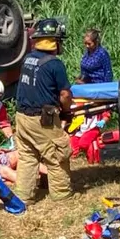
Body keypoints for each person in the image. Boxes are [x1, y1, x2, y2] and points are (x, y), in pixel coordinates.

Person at [14, 18, 73, 203]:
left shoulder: (28, 58)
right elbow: (64, 95)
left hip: (22, 117)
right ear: (56, 41)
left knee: (27, 156)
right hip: (43, 119)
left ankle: (24, 196)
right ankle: (62, 195)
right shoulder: (55, 64)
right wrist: (66, 111)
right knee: (57, 155)